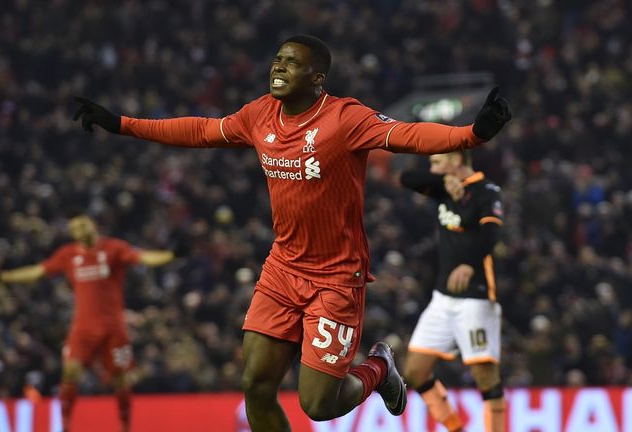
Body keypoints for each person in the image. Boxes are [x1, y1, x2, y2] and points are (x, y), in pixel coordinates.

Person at [72, 34, 511, 430]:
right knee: (255, 386)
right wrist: (122, 124)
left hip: (337, 278)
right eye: (277, 59)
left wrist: (471, 135)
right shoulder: (260, 115)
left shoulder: (344, 118)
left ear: (317, 78)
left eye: (291, 62)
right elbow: (202, 130)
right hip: (282, 269)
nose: (278, 67)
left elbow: (408, 135)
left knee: (318, 406)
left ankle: (379, 368)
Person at [0, 210, 179, 432]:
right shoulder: (67, 255)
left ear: (93, 225)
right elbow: (38, 271)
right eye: (74, 229)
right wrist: (5, 276)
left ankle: (125, 425)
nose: (79, 231)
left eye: (82, 226)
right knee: (70, 372)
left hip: (113, 328)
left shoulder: (114, 248)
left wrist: (171, 255)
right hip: (83, 328)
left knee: (121, 381)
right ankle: (64, 424)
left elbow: (143, 257)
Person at [400, 149, 506, 432]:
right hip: (442, 298)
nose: (432, 168)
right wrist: (444, 183)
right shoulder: (442, 187)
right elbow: (405, 177)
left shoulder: (487, 192)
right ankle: (455, 428)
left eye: (437, 162)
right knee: (415, 371)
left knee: (485, 375)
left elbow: (491, 236)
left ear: (456, 160)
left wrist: (470, 264)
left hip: (476, 297)